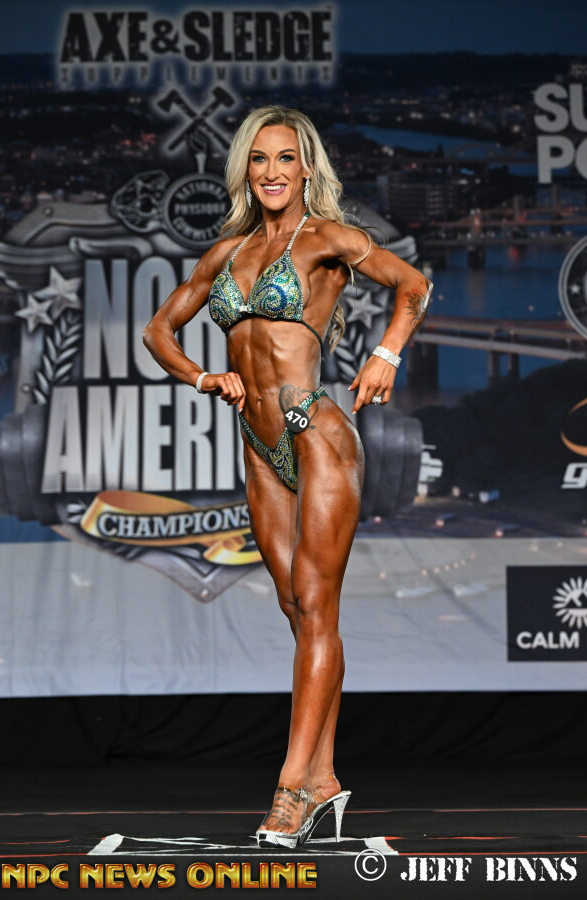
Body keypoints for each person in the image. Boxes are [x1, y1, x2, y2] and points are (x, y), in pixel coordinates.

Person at [142, 105, 433, 848]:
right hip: (258, 444)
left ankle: (291, 788)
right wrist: (204, 378)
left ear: (306, 169)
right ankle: (326, 779)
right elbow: (157, 331)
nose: (272, 171)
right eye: (259, 158)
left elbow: (413, 285)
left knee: (317, 605)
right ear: (246, 169)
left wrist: (386, 355)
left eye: (285, 158)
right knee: (297, 611)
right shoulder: (228, 252)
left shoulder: (327, 238)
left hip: (316, 434)